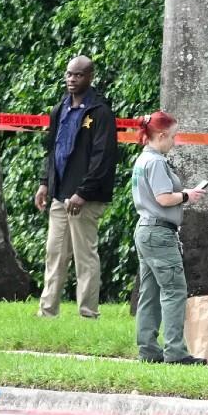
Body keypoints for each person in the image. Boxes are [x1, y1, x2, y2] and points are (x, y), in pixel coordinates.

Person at [35, 55, 119, 319]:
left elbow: (103, 157)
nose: (72, 79)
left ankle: (87, 314)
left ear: (90, 77)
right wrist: (44, 183)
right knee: (54, 254)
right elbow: (53, 149)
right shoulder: (59, 108)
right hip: (59, 194)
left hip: (86, 197)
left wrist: (83, 192)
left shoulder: (100, 112)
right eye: (69, 74)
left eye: (78, 75)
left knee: (85, 257)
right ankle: (47, 312)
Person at [130, 111, 207, 364]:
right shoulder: (157, 162)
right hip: (160, 233)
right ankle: (176, 352)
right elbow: (164, 198)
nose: (175, 141)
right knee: (174, 291)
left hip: (145, 229)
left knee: (149, 293)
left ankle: (148, 350)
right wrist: (187, 195)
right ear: (161, 135)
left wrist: (183, 193)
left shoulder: (142, 160)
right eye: (173, 136)